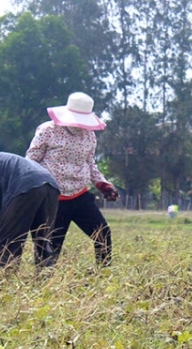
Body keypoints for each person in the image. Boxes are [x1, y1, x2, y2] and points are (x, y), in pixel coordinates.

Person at [26, 92, 118, 267]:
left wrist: (103, 185)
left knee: (103, 234)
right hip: (53, 198)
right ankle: (42, 284)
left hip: (80, 195)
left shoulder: (89, 135)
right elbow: (31, 161)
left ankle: (104, 275)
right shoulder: (48, 130)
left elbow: (90, 163)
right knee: (51, 246)